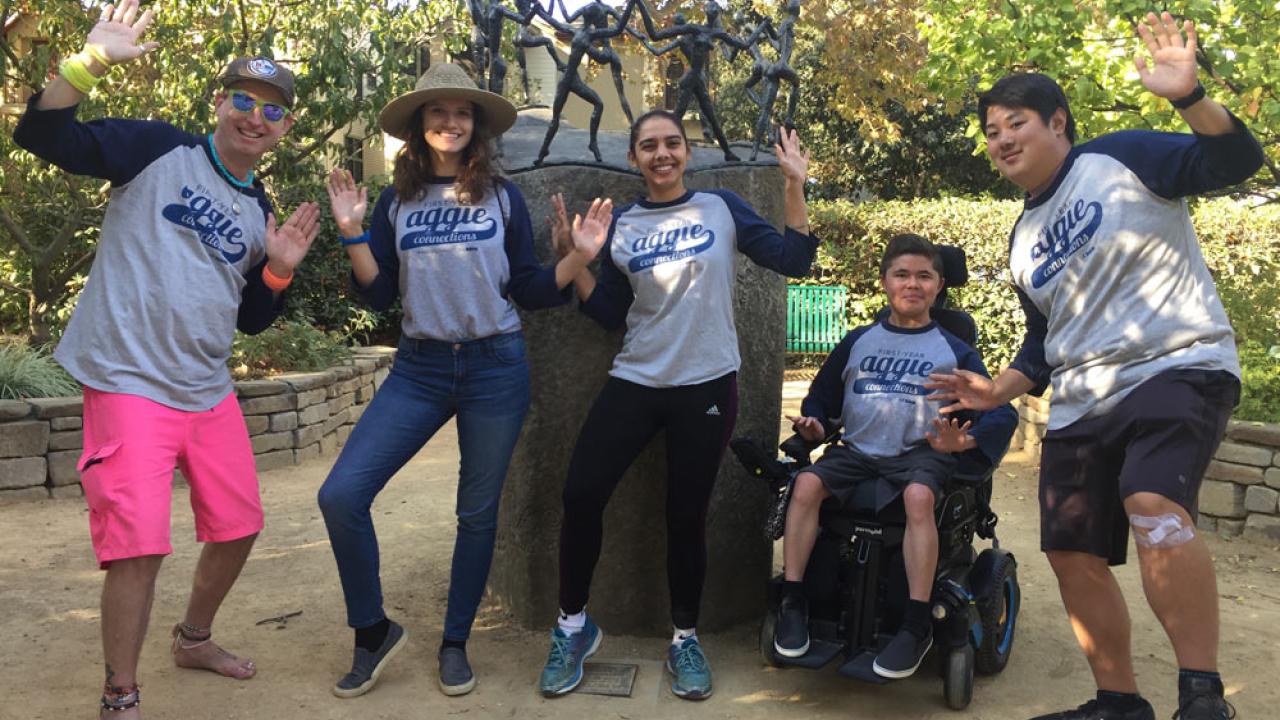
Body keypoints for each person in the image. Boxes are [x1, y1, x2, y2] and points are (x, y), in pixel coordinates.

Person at [926, 12, 1264, 720]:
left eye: (1014, 122)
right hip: (1083, 399)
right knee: (1071, 550)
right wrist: (996, 393)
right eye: (990, 132)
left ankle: (1202, 694)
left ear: (1058, 123)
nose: (1000, 140)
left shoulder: (1119, 158)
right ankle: (1118, 702)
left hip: (1177, 365)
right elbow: (1043, 343)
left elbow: (1235, 163)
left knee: (1151, 502)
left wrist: (1188, 95)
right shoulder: (1023, 240)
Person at [12, 2, 320, 717]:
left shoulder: (256, 208)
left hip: (206, 390)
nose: (254, 117)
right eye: (243, 99)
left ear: (284, 130)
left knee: (240, 527)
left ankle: (193, 638)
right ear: (220, 103)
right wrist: (90, 62)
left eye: (271, 112)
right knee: (139, 546)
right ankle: (121, 692)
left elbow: (248, 318)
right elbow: (43, 133)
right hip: (127, 383)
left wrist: (276, 271)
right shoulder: (156, 149)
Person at [316, 62, 606, 699]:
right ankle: (372, 631)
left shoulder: (500, 197)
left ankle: (454, 643)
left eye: (462, 112)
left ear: (476, 126)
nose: (450, 122)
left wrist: (576, 260)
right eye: (437, 112)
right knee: (341, 495)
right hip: (418, 369)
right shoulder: (396, 201)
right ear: (421, 125)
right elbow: (380, 293)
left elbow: (528, 288)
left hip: (494, 369)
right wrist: (350, 231)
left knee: (476, 516)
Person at [537, 109, 817, 701]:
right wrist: (578, 263)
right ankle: (573, 627)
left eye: (671, 144)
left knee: (685, 515)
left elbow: (794, 260)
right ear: (634, 158)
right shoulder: (622, 223)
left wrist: (794, 184)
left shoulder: (720, 208)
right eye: (648, 146)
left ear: (686, 152)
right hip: (636, 379)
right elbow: (610, 314)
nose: (661, 154)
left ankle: (684, 638)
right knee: (581, 494)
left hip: (707, 385)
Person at [771, 234, 1017, 678]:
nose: (912, 284)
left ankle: (916, 624)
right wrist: (816, 425)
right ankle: (794, 601)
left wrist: (965, 443)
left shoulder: (954, 349)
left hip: (920, 455)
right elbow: (821, 400)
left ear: (939, 285)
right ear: (886, 281)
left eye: (924, 276)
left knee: (920, 497)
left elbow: (1000, 411)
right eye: (902, 274)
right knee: (805, 485)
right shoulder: (858, 341)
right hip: (859, 451)